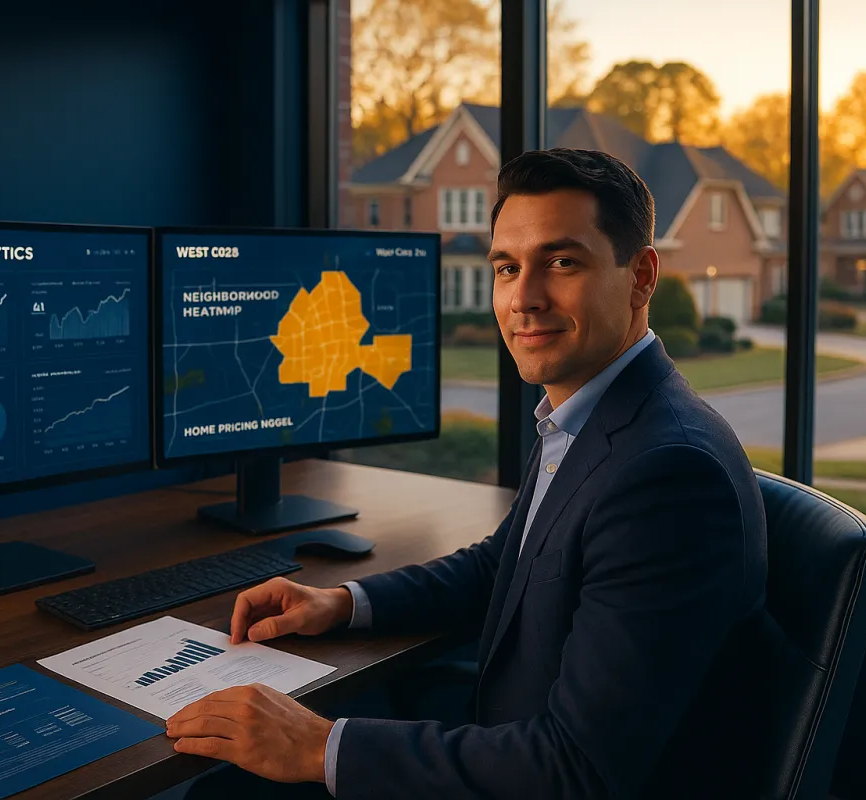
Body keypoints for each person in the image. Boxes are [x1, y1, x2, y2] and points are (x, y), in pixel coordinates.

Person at [163, 148, 768, 799]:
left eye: (562, 262)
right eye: (507, 267)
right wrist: (341, 603)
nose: (525, 297)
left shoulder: (666, 474)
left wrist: (317, 745)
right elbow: (502, 564)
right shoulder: (595, 413)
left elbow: (576, 771)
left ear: (642, 276)